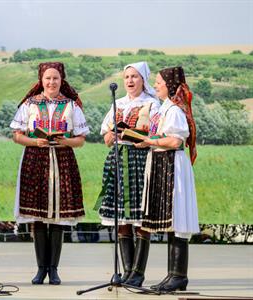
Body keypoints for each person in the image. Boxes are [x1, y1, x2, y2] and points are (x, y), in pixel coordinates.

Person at [10, 62, 89, 285]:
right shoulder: (30, 104)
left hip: (63, 160)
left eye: (55, 78)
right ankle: (40, 269)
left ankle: (53, 269)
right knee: (38, 216)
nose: (51, 82)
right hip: (35, 159)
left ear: (62, 79)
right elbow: (16, 135)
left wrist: (65, 141)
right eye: (48, 78)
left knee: (57, 217)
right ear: (41, 80)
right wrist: (35, 140)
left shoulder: (71, 105)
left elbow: (81, 139)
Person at [135, 66, 199, 292]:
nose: (157, 85)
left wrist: (150, 141)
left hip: (173, 166)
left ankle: (179, 276)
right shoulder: (165, 109)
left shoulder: (174, 110)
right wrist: (146, 139)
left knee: (178, 217)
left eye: (160, 82)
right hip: (163, 165)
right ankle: (173, 275)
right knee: (173, 221)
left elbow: (175, 141)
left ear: (170, 85)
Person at [96, 62, 160, 287]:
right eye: (127, 77)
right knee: (121, 217)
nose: (130, 81)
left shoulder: (153, 104)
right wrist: (112, 135)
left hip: (141, 160)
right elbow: (105, 138)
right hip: (118, 159)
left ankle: (138, 272)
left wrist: (139, 138)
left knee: (141, 216)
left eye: (135, 76)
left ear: (144, 79)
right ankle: (126, 271)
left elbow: (156, 135)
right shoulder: (117, 103)